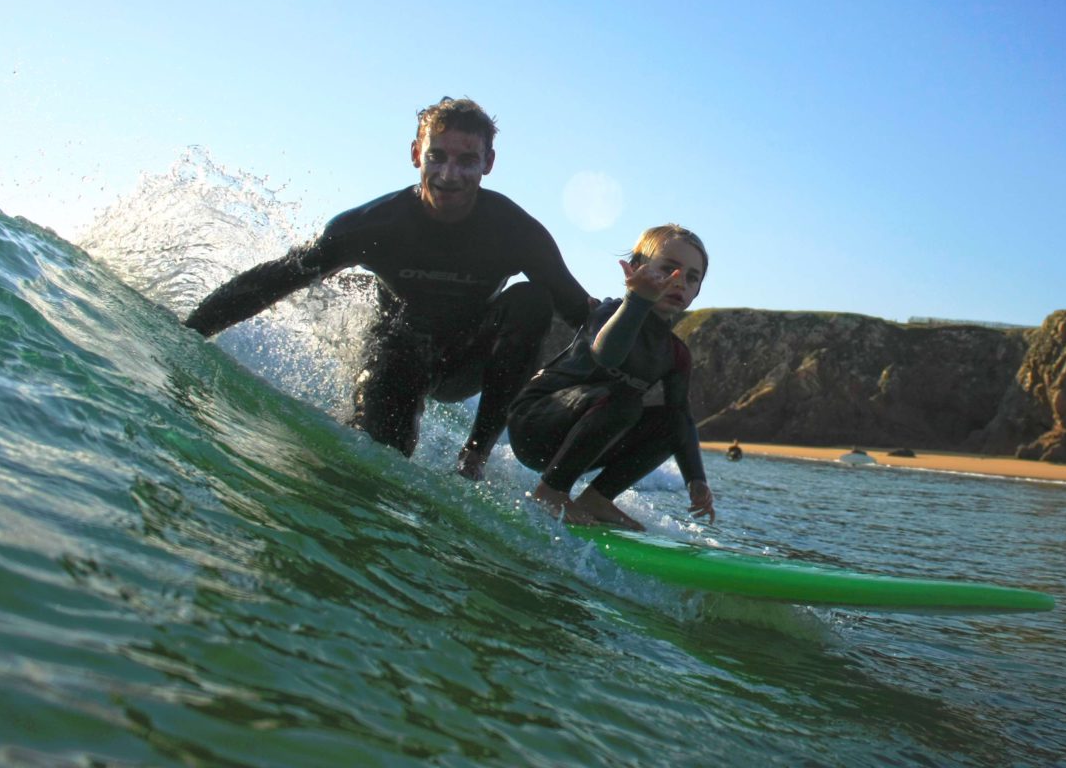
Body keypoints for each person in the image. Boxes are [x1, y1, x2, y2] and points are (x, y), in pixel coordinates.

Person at [182, 97, 591, 480]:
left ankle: (474, 456)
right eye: (437, 156)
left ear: (488, 163)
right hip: (399, 350)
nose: (450, 175)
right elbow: (277, 277)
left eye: (467, 160)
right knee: (379, 459)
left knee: (534, 301)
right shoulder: (375, 225)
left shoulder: (516, 232)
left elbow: (579, 311)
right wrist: (189, 332)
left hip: (469, 358)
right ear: (416, 154)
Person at [506, 225, 715, 529]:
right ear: (636, 270)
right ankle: (550, 491)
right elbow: (608, 355)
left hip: (582, 438)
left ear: (697, 291)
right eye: (669, 269)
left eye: (692, 277)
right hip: (534, 423)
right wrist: (637, 300)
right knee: (625, 399)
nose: (679, 281)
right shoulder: (608, 312)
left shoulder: (676, 353)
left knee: (674, 421)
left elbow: (681, 417)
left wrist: (695, 479)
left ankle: (597, 498)